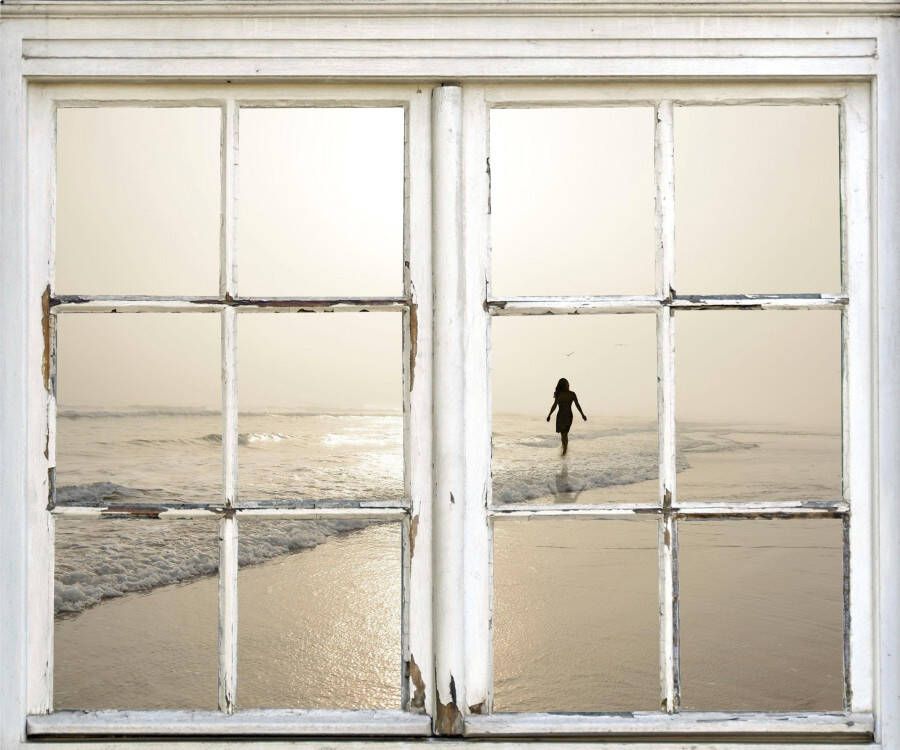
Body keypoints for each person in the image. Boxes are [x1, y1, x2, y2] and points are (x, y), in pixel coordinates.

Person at [546, 377, 587, 456]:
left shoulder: (572, 394)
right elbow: (554, 405)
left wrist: (582, 414)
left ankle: (564, 451)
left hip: (568, 416)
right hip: (561, 416)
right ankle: (564, 449)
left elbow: (577, 405)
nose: (568, 385)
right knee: (563, 434)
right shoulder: (559, 394)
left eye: (568, 383)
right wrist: (549, 414)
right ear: (563, 385)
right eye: (567, 384)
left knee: (565, 433)